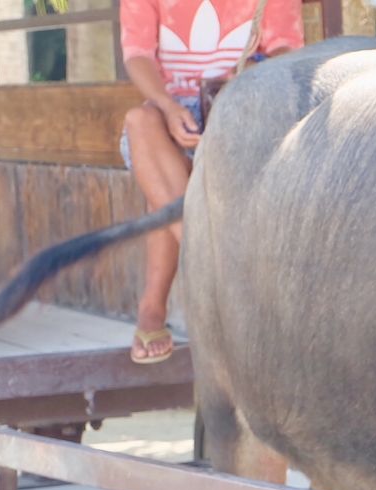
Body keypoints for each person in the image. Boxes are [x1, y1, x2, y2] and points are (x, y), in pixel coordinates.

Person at [119, 0, 304, 362]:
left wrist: (251, 76)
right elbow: (137, 54)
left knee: (164, 187)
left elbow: (287, 50)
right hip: (172, 112)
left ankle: (152, 307)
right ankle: (215, 266)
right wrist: (168, 107)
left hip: (246, 108)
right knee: (140, 122)